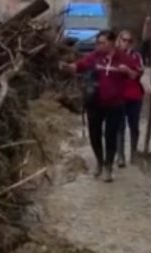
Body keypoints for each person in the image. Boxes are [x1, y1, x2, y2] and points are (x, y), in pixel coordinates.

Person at [61, 30, 134, 182]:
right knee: (94, 134)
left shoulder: (123, 57)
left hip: (115, 103)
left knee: (111, 135)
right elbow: (79, 65)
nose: (98, 45)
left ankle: (108, 167)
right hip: (95, 102)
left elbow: (135, 74)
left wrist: (127, 70)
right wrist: (67, 67)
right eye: (97, 43)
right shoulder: (95, 56)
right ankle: (100, 161)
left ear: (112, 43)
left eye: (102, 43)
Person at [115, 30, 145, 168]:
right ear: (119, 40)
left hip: (134, 96)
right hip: (119, 97)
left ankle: (133, 153)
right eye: (124, 40)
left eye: (129, 41)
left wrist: (127, 70)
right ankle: (120, 156)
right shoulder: (114, 55)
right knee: (119, 127)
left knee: (134, 126)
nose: (126, 43)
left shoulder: (136, 56)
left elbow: (138, 73)